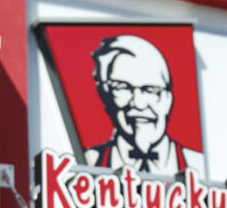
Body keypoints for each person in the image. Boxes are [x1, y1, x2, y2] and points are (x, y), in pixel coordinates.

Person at [84, 34, 205, 174]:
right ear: (106, 95)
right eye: (123, 87)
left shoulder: (196, 164)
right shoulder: (87, 160)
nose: (139, 104)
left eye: (150, 90)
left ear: (168, 99)